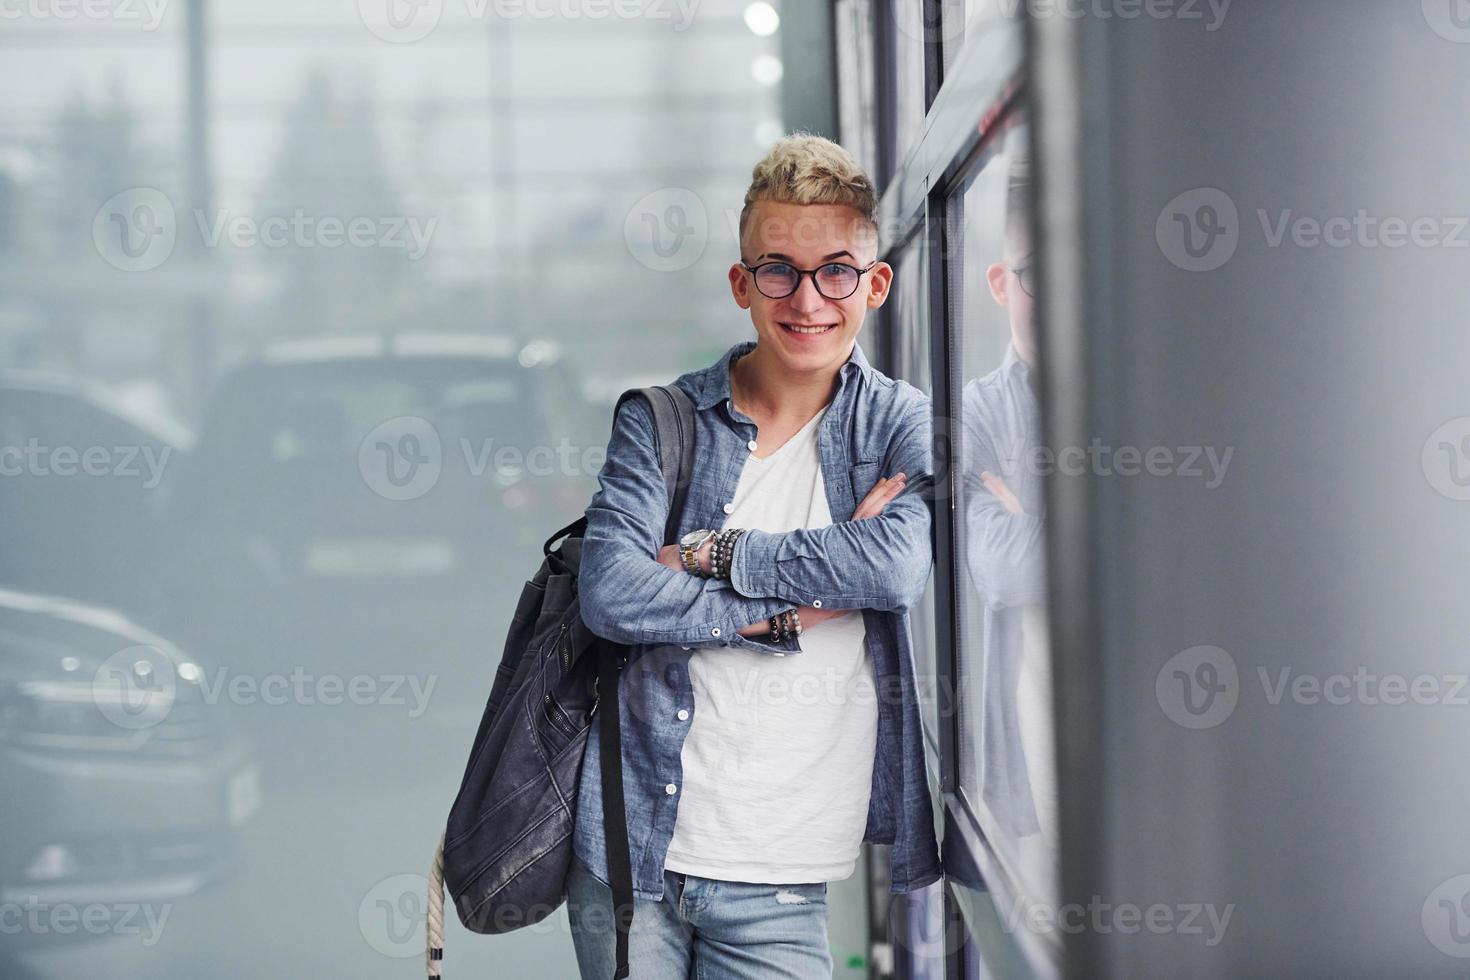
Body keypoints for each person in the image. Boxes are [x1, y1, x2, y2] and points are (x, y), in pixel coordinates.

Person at [568, 134, 941, 979]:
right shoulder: (660, 423)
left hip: (780, 873)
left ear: (874, 284)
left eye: (836, 269)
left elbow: (890, 572)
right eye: (777, 269)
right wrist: (783, 615)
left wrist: (707, 552)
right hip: (630, 862)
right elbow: (613, 593)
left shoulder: (897, 424)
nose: (807, 298)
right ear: (742, 284)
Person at [960, 150, 1057, 856]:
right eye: (1034, 274)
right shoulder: (973, 417)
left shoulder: (1149, 393)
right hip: (1040, 753)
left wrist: (1035, 517)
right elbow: (1004, 571)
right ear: (1000, 282)